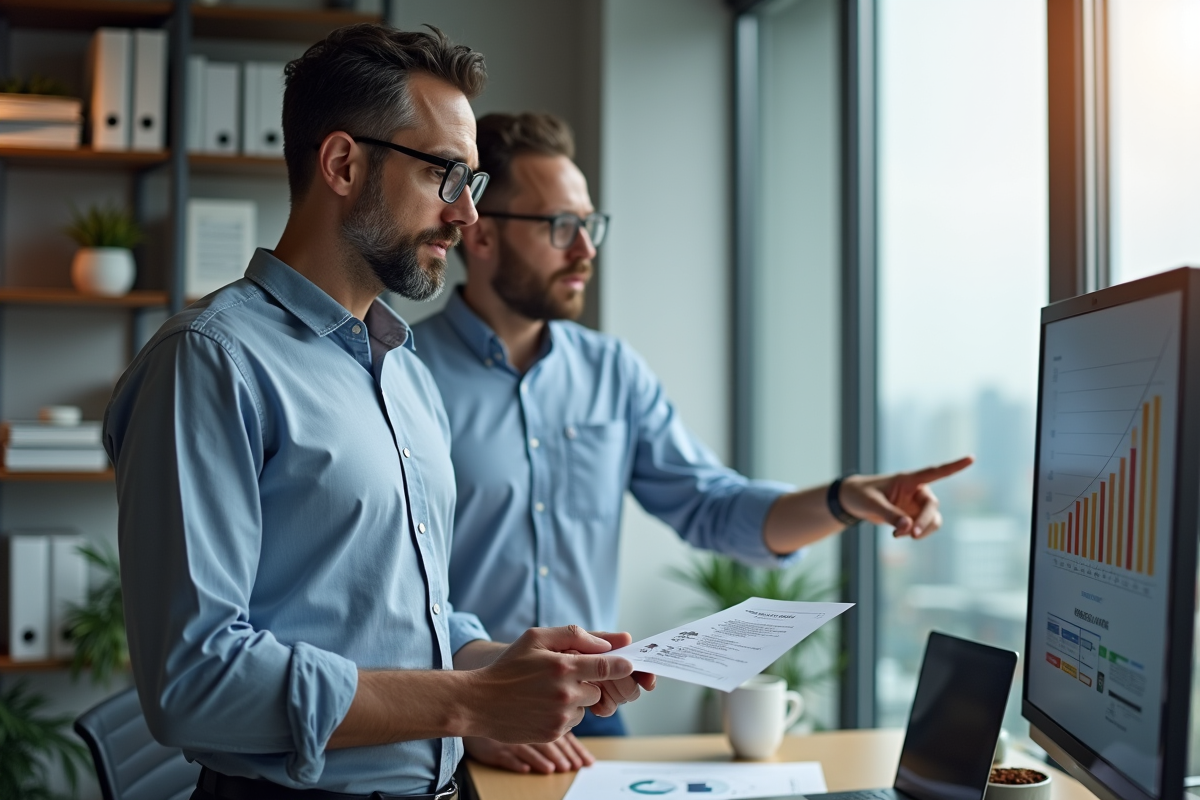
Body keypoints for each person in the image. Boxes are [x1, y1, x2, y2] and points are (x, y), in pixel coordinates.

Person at [103, 30, 646, 800]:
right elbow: (195, 682)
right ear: (343, 164)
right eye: (444, 175)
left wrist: (505, 663)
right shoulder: (210, 363)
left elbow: (398, 623)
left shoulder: (406, 374)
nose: (466, 215)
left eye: (474, 182)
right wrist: (472, 702)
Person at [411, 112, 973, 773]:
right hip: (459, 725)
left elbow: (714, 506)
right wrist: (474, 704)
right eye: (561, 227)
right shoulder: (404, 373)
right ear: (479, 233)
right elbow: (392, 588)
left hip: (591, 724)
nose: (587, 250)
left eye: (590, 226)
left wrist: (845, 499)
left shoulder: (612, 373)